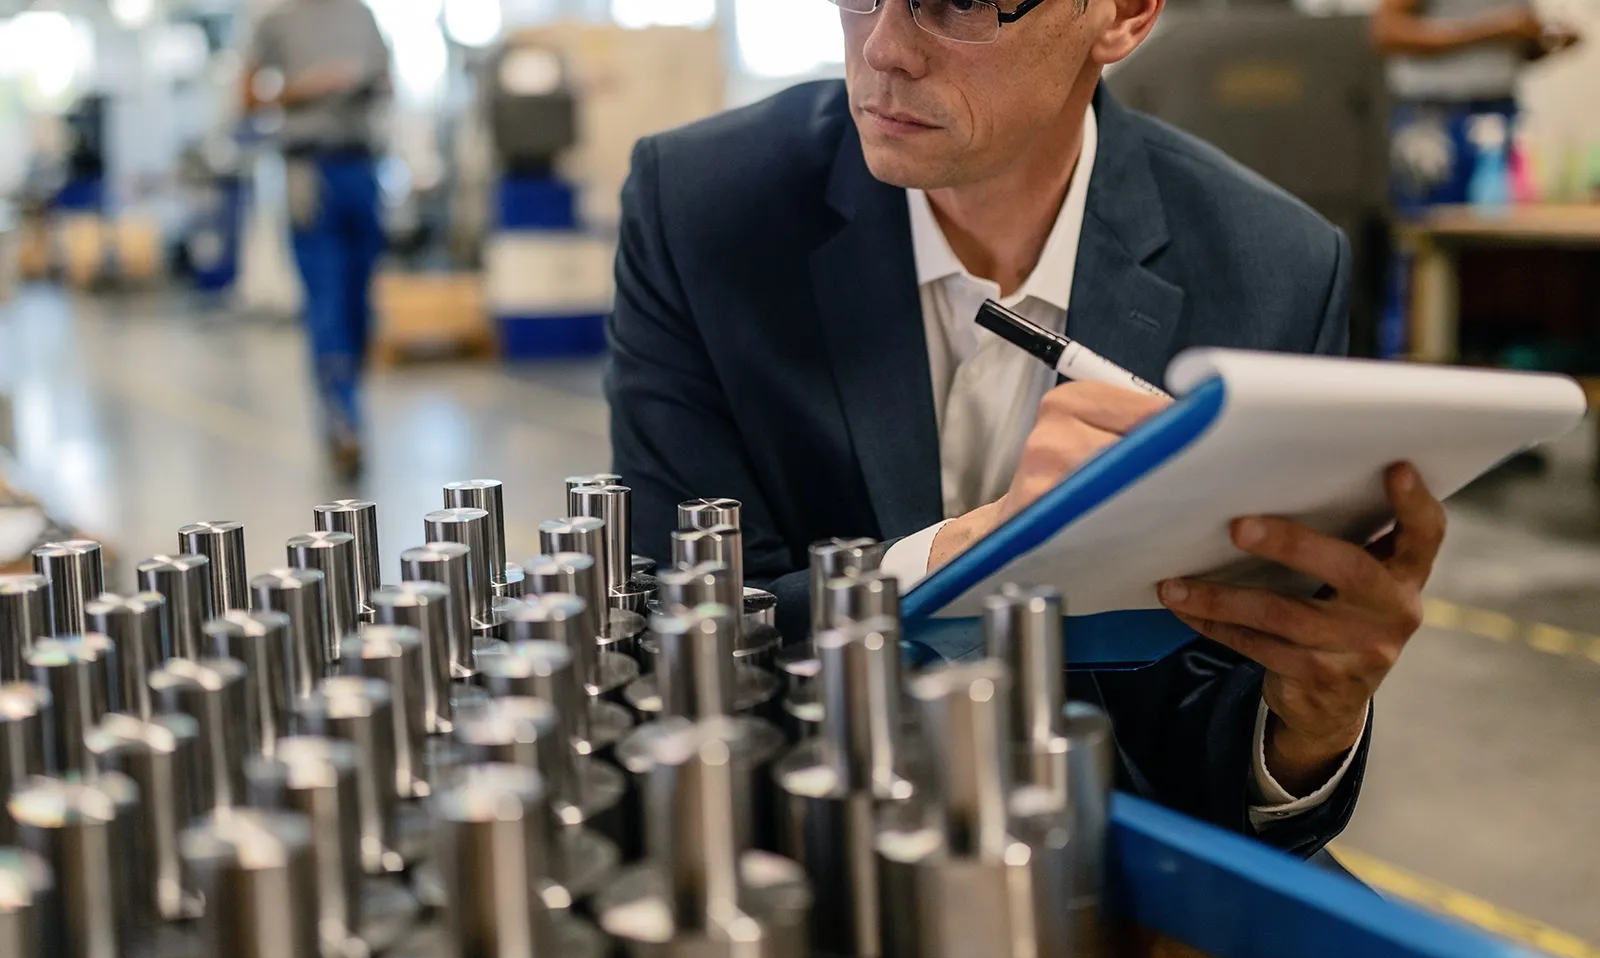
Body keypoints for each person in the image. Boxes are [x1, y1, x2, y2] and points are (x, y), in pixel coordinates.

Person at [606, 0, 1448, 858]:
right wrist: (975, 553)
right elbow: (682, 630)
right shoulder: (702, 210)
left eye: (961, 3)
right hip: (801, 833)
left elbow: (1212, 735)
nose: (885, 49)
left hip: (1102, 844)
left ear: (1123, 15)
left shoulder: (1272, 268)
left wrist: (1312, 721)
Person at [242, 0, 394, 480]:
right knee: (327, 301)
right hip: (310, 172)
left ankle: (348, 398)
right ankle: (342, 419)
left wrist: (363, 83)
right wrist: (308, 87)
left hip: (361, 167)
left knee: (359, 304)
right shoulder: (276, 21)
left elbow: (387, 80)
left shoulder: (361, 15)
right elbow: (246, 96)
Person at [1373, 0, 1580, 209]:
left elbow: (1505, 49)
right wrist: (1494, 28)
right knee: (1435, 217)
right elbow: (1387, 31)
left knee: (1501, 216)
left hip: (1499, 112)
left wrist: (1542, 40)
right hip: (1437, 116)